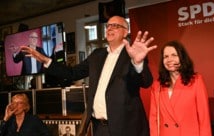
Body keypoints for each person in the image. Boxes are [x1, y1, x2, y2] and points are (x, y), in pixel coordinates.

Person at [20, 15, 157, 136]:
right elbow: (72, 73)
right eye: (108, 25)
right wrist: (45, 60)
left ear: (125, 31)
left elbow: (146, 82)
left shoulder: (132, 55)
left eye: (115, 26)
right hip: (99, 127)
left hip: (126, 128)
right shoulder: (97, 55)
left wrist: (138, 63)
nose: (109, 28)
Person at [149, 40, 212, 136]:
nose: (169, 59)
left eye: (174, 55)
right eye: (166, 56)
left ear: (182, 57)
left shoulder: (196, 81)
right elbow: (153, 119)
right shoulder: (157, 85)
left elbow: (204, 118)